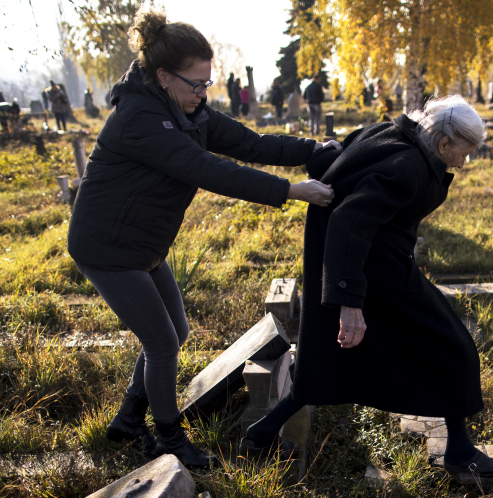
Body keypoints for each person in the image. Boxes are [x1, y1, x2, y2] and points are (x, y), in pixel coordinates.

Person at [66, 8, 338, 470]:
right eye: (195, 84)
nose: (203, 93)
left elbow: (249, 143)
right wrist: (290, 191)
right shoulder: (141, 118)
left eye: (207, 83)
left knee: (176, 331)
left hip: (143, 245)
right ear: (162, 76)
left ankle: (130, 418)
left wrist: (314, 150)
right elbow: (206, 169)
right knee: (162, 344)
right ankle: (169, 438)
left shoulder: (187, 110)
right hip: (108, 247)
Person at [240, 95, 493, 480]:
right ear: (444, 143)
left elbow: (336, 156)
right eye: (463, 154)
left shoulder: (391, 133)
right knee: (454, 347)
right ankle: (460, 453)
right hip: (373, 268)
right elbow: (349, 221)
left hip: (357, 261)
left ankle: (262, 432)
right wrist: (350, 301)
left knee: (328, 358)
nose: (463, 164)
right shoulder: (408, 167)